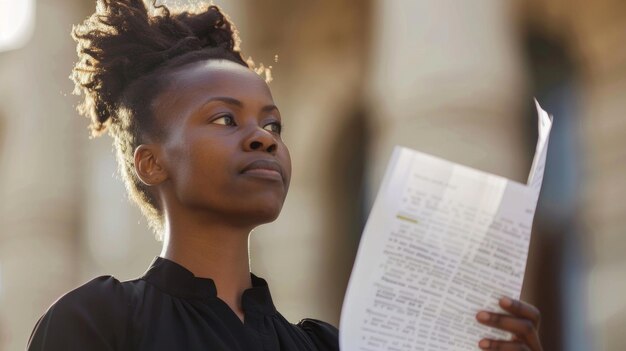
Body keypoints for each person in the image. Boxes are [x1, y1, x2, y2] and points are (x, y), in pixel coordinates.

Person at [28, 1, 543, 350]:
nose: (263, 137)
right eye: (225, 119)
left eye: (272, 123)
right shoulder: (98, 321)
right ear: (151, 162)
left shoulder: (320, 344)